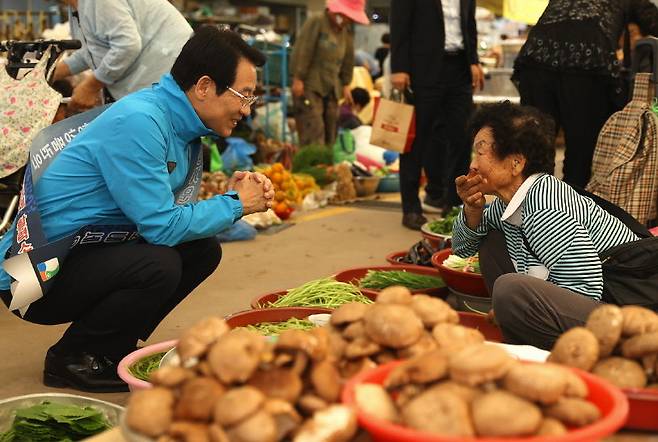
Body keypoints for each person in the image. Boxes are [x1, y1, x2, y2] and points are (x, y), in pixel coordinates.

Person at [0, 26, 274, 393]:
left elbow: (171, 219)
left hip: (82, 255)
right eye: (244, 95)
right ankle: (71, 358)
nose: (246, 109)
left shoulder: (181, 127)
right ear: (205, 86)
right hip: (28, 277)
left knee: (201, 250)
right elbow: (161, 228)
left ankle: (112, 348)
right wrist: (236, 203)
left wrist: (230, 197)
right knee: (158, 264)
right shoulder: (141, 121)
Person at [452, 102, 639, 350]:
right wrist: (472, 210)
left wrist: (522, 307)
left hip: (617, 314)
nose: (473, 165)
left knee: (511, 291)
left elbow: (585, 290)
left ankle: (541, 348)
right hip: (587, 302)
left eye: (481, 152)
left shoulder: (545, 209)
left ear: (516, 163)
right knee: (491, 242)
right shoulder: (509, 202)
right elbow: (462, 249)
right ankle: (519, 332)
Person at [513, 0, 658, 188]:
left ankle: (530, 208)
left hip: (536, 57)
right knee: (581, 150)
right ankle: (569, 210)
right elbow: (653, 21)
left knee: (536, 145)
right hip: (586, 62)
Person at [390, 0, 484, 231]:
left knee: (461, 138)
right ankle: (411, 208)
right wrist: (399, 67)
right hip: (423, 69)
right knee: (416, 140)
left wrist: (474, 61)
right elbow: (399, 25)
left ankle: (452, 206)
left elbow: (468, 25)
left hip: (459, 68)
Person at [52, 0, 193, 110]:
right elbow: (93, 51)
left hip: (165, 76)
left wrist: (91, 86)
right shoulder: (76, 7)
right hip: (149, 88)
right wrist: (48, 74)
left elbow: (127, 45)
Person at [290, 0, 369, 147]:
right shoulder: (317, 21)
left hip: (332, 87)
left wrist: (346, 84)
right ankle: (312, 166)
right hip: (310, 85)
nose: (347, 20)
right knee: (314, 128)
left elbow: (348, 60)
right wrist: (298, 78)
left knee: (331, 130)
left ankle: (326, 166)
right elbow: (303, 50)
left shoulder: (345, 32)